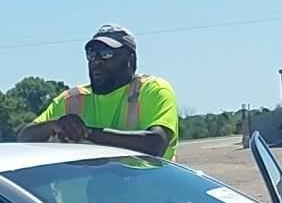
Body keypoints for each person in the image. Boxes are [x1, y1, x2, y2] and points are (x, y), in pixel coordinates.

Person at [22, 25, 180, 161]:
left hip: (148, 195)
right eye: (91, 54)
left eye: (106, 53)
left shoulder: (152, 90)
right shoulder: (71, 100)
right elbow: (24, 138)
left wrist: (86, 134)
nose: (97, 61)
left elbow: (154, 145)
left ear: (130, 60)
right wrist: (55, 125)